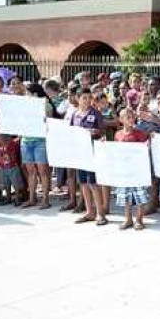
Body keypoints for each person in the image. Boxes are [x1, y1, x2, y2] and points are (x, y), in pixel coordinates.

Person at [72, 88, 107, 226]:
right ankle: (89, 212)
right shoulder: (75, 114)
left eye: (88, 98)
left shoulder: (95, 113)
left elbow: (102, 130)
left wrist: (94, 131)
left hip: (92, 150)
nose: (87, 101)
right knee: (83, 183)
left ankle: (100, 213)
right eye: (84, 98)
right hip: (80, 152)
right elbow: (70, 131)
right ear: (77, 98)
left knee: (93, 182)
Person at [112, 107, 150, 230]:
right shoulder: (117, 134)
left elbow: (146, 148)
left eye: (132, 116)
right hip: (124, 171)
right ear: (121, 120)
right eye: (127, 117)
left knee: (139, 195)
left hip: (137, 170)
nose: (131, 119)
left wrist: (151, 138)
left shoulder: (139, 133)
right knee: (125, 195)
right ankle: (128, 219)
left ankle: (139, 219)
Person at [21, 84, 53, 209]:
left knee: (43, 171)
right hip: (26, 140)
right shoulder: (23, 107)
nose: (25, 95)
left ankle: (45, 199)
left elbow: (48, 120)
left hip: (40, 141)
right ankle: (31, 199)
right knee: (30, 172)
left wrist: (41, 105)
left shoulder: (46, 105)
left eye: (27, 93)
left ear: (34, 94)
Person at [0, 134, 24, 206]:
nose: (2, 140)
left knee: (16, 184)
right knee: (6, 184)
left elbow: (17, 141)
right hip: (3, 169)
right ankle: (8, 198)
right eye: (1, 139)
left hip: (12, 167)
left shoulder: (12, 145)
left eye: (4, 138)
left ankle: (17, 198)